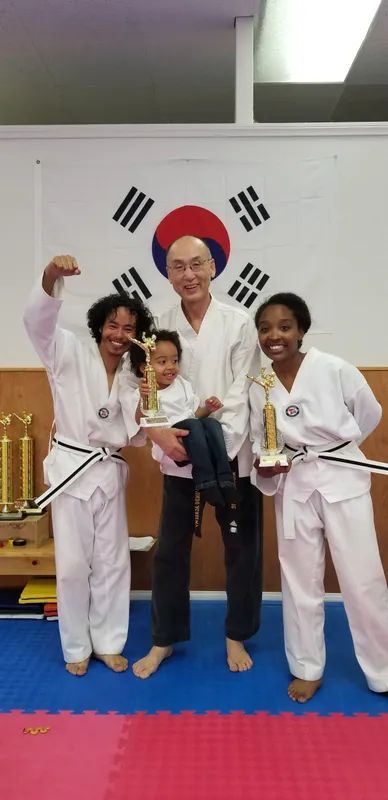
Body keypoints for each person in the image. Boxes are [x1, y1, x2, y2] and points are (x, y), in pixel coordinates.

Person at [129, 235, 262, 678]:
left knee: (241, 548)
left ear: (213, 268)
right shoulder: (158, 326)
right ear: (167, 274)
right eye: (178, 267)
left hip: (229, 457)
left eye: (196, 265)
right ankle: (164, 640)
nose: (189, 275)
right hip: (176, 455)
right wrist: (162, 437)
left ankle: (236, 633)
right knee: (170, 552)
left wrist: (213, 449)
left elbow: (244, 390)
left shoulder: (238, 321)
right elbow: (145, 391)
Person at [250, 291, 388, 702]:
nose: (275, 336)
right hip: (293, 484)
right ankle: (307, 667)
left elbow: (369, 413)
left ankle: (382, 668)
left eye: (285, 327)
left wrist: (337, 450)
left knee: (362, 579)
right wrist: (266, 461)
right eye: (265, 328)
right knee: (299, 580)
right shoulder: (260, 384)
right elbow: (261, 438)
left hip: (341, 478)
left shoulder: (334, 368)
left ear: (302, 330)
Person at [23, 254, 154, 677]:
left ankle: (109, 641)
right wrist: (50, 277)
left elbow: (136, 433)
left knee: (114, 561)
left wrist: (149, 407)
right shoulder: (67, 351)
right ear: (100, 325)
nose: (119, 334)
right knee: (75, 563)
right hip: (72, 470)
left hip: (108, 470)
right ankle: (76, 645)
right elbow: (36, 323)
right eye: (113, 325)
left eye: (129, 329)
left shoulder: (136, 376)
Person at [129, 328, 239, 508]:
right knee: (193, 425)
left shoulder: (182, 384)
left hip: (194, 440)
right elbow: (139, 419)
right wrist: (144, 397)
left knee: (211, 423)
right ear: (144, 367)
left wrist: (208, 409)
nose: (171, 366)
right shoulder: (143, 392)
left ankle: (225, 478)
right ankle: (206, 482)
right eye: (162, 362)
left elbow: (194, 414)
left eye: (174, 360)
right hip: (171, 448)